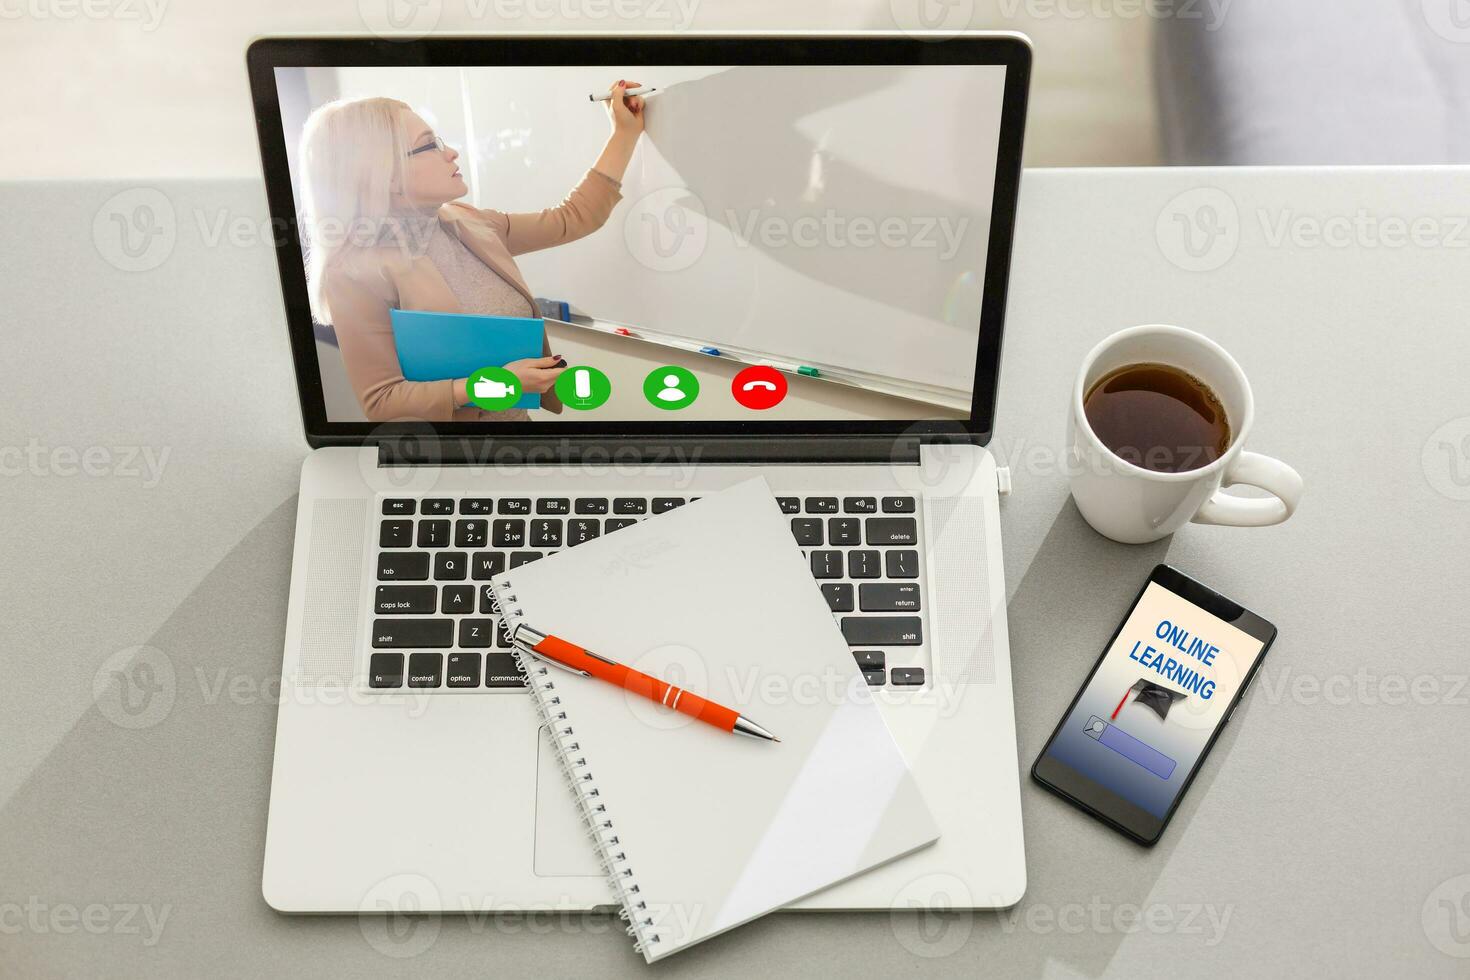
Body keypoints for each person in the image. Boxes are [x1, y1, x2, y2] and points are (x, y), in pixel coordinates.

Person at [298, 81, 646, 421]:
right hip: (451, 460)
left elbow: (572, 218)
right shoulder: (354, 272)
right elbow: (383, 400)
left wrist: (623, 134)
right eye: (429, 145)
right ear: (384, 173)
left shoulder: (467, 222)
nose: (451, 152)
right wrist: (495, 385)